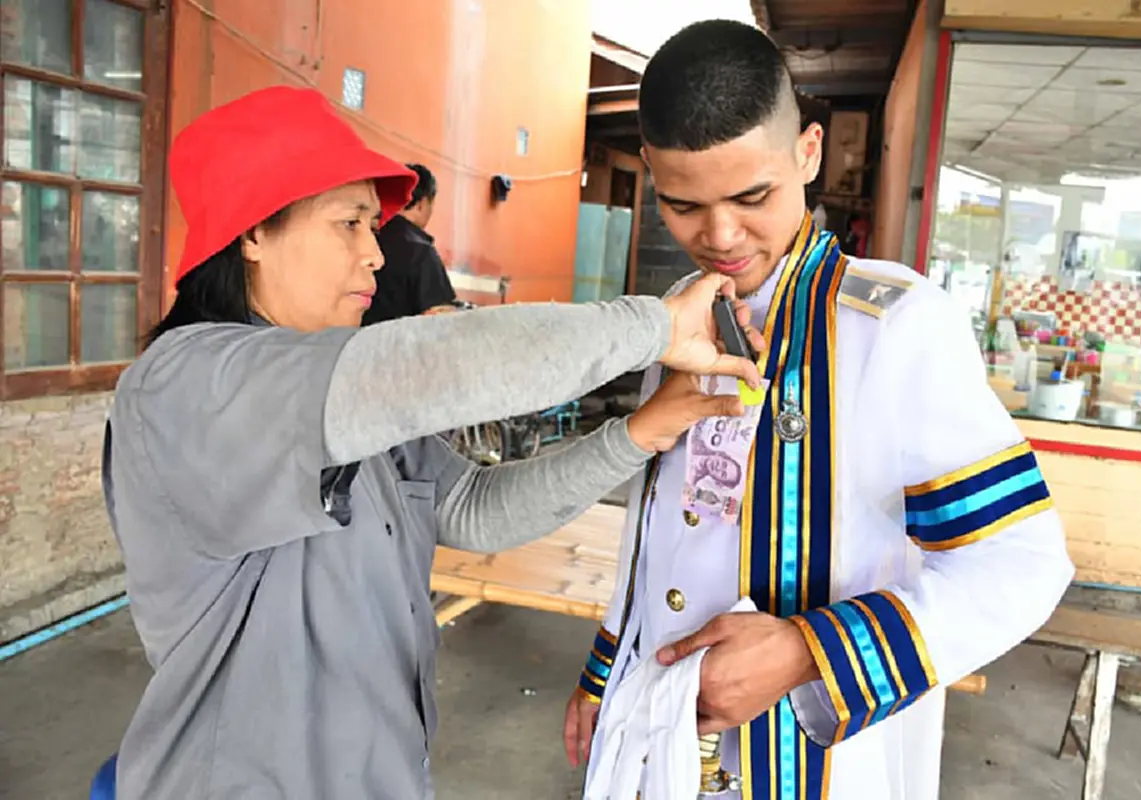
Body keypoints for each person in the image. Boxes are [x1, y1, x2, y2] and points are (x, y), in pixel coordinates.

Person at [100, 84, 768, 800]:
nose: (376, 256)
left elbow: (471, 507)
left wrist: (638, 431)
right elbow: (435, 362)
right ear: (254, 233)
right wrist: (657, 327)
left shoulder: (348, 402)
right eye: (350, 224)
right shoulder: (185, 386)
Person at [563, 20, 1074, 800]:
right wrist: (606, 672)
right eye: (682, 205)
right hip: (659, 732)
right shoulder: (679, 312)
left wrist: (811, 653)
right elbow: (660, 527)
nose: (720, 235)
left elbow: (1021, 565)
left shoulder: (894, 323)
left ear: (808, 152)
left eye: (752, 195)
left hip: (822, 761)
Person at [361, 162, 458, 322]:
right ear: (422, 203)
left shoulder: (365, 240)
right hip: (400, 345)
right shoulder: (421, 251)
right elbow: (439, 320)